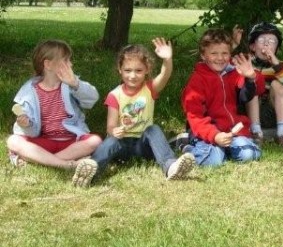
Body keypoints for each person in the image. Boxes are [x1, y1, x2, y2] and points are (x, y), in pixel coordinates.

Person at [71, 39, 195, 187]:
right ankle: (92, 169)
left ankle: (170, 166)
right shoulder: (114, 95)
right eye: (128, 70)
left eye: (138, 71)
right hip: (121, 145)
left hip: (144, 145)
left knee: (153, 129)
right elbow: (110, 126)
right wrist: (114, 131)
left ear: (147, 69)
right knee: (111, 141)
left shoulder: (150, 88)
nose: (133, 75)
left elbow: (165, 75)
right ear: (120, 69)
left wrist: (167, 60)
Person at [7, 39, 102, 176]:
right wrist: (26, 125)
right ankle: (66, 164)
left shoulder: (70, 84)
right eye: (66, 60)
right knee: (13, 141)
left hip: (71, 142)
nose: (71, 64)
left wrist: (75, 83)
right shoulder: (29, 92)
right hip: (44, 142)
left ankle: (44, 161)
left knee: (95, 141)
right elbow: (31, 133)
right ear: (48, 64)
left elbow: (92, 99)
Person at [181, 29, 266, 166]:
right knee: (214, 161)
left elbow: (256, 91)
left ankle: (223, 151)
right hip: (208, 133)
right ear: (203, 55)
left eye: (225, 53)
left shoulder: (232, 72)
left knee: (249, 154)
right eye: (214, 53)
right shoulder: (197, 81)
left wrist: (251, 77)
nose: (220, 58)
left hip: (233, 132)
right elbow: (195, 116)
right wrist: (215, 136)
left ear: (230, 54)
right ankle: (189, 148)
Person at [245, 22, 283, 152]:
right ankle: (256, 133)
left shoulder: (281, 66)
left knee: (277, 84)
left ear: (277, 49)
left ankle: (282, 133)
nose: (266, 44)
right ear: (252, 46)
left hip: (273, 111)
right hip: (250, 110)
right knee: (253, 83)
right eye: (261, 40)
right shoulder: (246, 64)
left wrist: (275, 63)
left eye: (272, 41)